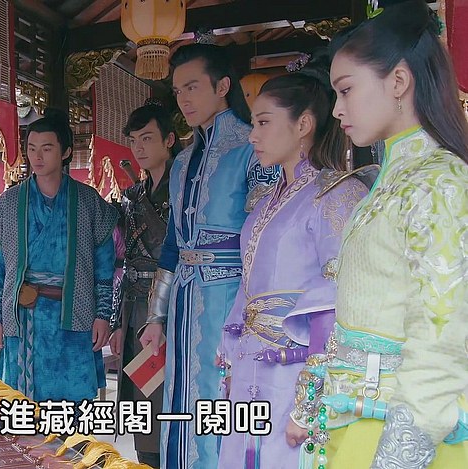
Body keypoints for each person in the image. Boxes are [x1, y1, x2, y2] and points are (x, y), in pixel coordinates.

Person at [289, 2, 468, 468]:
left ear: (399, 81)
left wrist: (400, 455)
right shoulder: (393, 179)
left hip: (398, 428)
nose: (337, 109)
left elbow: (443, 331)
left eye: (346, 90)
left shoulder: (440, 181)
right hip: (358, 416)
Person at [216, 61, 371, 468]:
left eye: (264, 122)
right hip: (250, 367)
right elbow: (247, 289)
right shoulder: (263, 203)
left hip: (294, 372)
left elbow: (337, 298)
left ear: (303, 124)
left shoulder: (336, 195)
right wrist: (230, 358)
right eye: (254, 123)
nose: (253, 135)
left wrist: (310, 400)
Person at [138, 44, 279, 469]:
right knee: (180, 395)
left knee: (222, 394)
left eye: (193, 86)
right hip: (183, 297)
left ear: (222, 86)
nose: (184, 99)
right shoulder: (182, 162)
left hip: (230, 298)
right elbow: (173, 244)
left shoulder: (253, 150)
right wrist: (156, 316)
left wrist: (257, 316)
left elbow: (265, 237)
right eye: (178, 90)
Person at [0, 108, 118, 403]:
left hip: (75, 315)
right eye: (32, 149)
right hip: (22, 315)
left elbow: (104, 269)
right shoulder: (9, 203)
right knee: (21, 405)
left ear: (65, 152)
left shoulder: (88, 202)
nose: (37, 157)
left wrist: (102, 315)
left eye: (47, 148)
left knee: (73, 406)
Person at [108, 101, 181, 468]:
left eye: (148, 138)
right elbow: (126, 261)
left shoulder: (184, 189)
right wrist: (118, 321)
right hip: (135, 305)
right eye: (134, 140)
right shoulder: (135, 195)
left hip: (172, 306)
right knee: (141, 400)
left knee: (168, 396)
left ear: (169, 140)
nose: (139, 147)